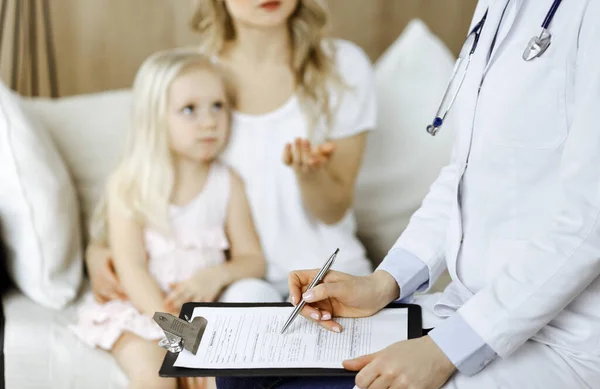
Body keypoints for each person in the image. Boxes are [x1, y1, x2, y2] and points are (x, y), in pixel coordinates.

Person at [217, 0, 600, 388]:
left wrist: (446, 350)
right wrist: (383, 283)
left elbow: (590, 225)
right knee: (241, 373)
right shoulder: (497, 6)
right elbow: (463, 174)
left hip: (558, 340)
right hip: (460, 308)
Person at [85, 0, 375, 302]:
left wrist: (311, 176)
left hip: (328, 276)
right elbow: (147, 175)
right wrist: (99, 252)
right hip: (236, 288)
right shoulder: (195, 78)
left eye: (217, 109)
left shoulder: (342, 66)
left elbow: (334, 210)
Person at [70, 49, 276, 389]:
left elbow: (253, 260)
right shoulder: (130, 184)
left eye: (218, 106)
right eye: (189, 110)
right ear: (155, 117)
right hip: (141, 311)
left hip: (200, 316)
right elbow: (132, 269)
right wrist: (175, 331)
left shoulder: (227, 183)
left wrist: (217, 275)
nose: (210, 121)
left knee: (214, 379)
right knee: (156, 380)